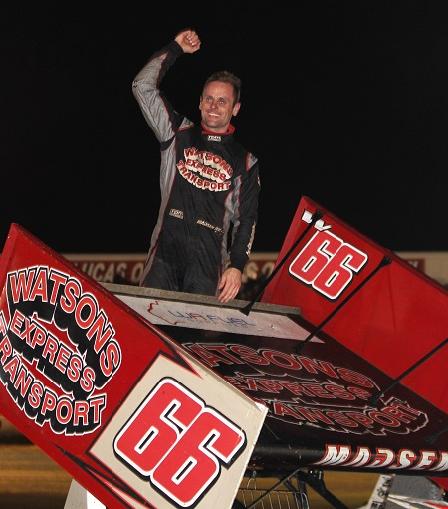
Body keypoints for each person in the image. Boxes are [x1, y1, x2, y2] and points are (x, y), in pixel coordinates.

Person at [133, 29, 260, 303]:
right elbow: (142, 87)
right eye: (209, 99)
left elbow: (246, 219)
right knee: (148, 329)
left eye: (222, 101)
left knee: (194, 341)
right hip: (164, 254)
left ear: (235, 108)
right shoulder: (177, 132)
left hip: (209, 263)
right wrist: (175, 48)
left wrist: (237, 266)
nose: (214, 106)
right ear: (200, 102)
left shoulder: (245, 161)